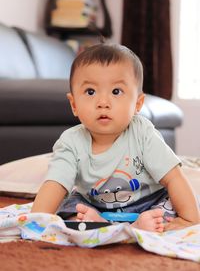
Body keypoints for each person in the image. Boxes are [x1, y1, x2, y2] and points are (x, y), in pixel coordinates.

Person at [31, 43, 200, 232]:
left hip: (147, 204)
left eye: (116, 92)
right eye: (90, 92)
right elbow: (55, 184)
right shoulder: (70, 142)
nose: (103, 103)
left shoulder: (142, 132)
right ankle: (98, 222)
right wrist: (36, 221)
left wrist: (189, 219)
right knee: (69, 206)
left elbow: (173, 177)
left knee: (168, 206)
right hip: (95, 206)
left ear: (137, 103)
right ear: (74, 104)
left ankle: (140, 224)